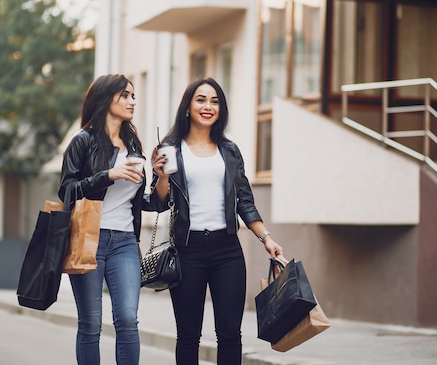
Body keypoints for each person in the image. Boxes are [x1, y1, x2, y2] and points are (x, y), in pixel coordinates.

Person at [149, 77, 284, 365]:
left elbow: (245, 201)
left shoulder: (230, 151)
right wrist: (161, 176)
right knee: (187, 336)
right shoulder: (171, 148)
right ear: (187, 106)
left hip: (227, 251)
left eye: (215, 101)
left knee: (230, 335)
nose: (208, 106)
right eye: (201, 99)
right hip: (187, 251)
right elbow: (159, 203)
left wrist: (266, 238)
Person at [58, 74, 160, 365]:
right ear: (106, 98)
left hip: (125, 241)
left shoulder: (134, 146)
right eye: (125, 95)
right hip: (88, 239)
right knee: (90, 323)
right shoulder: (83, 141)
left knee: (128, 319)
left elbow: (146, 202)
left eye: (133, 96)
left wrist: (160, 175)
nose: (132, 101)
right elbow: (66, 190)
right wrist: (107, 175)